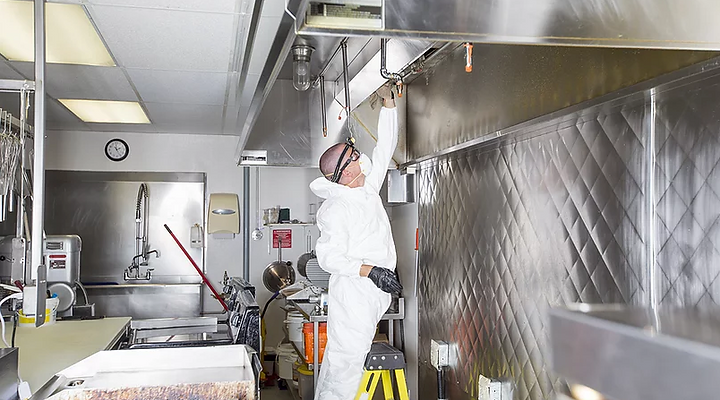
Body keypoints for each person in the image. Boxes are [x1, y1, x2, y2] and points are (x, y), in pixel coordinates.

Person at [309, 83, 403, 400]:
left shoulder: (364, 190)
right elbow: (329, 259)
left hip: (373, 290)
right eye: (353, 156)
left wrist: (389, 104)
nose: (360, 155)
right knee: (344, 366)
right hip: (354, 294)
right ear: (347, 173)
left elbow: (384, 148)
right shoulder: (335, 208)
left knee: (352, 362)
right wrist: (372, 271)